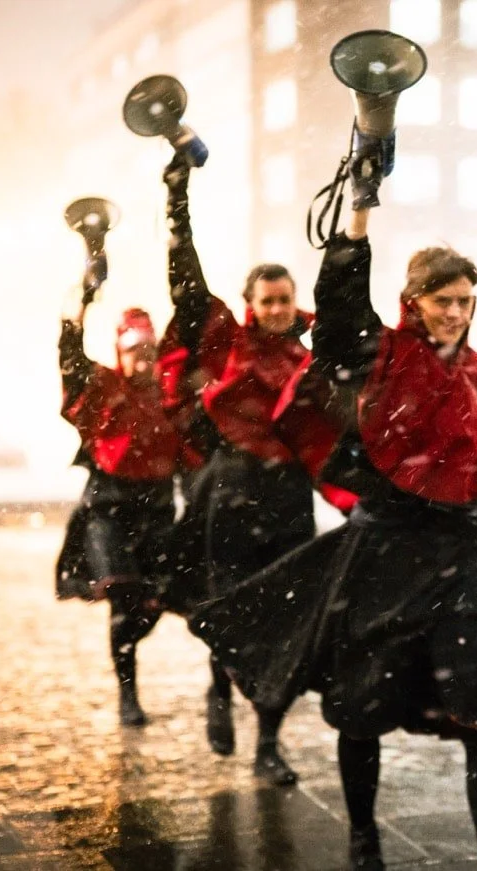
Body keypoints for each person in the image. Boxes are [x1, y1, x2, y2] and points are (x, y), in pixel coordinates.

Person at [189, 133, 477, 871]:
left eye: (467, 301)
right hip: (386, 549)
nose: (458, 313)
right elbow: (339, 304)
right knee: (362, 702)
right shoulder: (382, 356)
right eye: (444, 301)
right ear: (415, 303)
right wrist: (362, 207)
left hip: (464, 555)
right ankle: (364, 840)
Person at [160, 153, 315, 784]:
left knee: (284, 622)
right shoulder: (228, 342)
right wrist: (178, 208)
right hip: (231, 493)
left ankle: (269, 744)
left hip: (289, 500)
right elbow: (188, 287)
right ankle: (219, 690)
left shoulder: (310, 353)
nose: (278, 309)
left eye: (286, 299)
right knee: (227, 608)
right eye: (267, 300)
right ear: (251, 303)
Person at [55, 302, 180, 727]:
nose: (142, 359)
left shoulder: (170, 393)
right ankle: (128, 691)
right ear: (120, 352)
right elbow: (72, 364)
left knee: (156, 598)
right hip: (108, 511)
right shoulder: (102, 387)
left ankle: (129, 649)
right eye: (133, 351)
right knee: (124, 599)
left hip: (157, 511)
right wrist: (76, 313)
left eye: (148, 350)